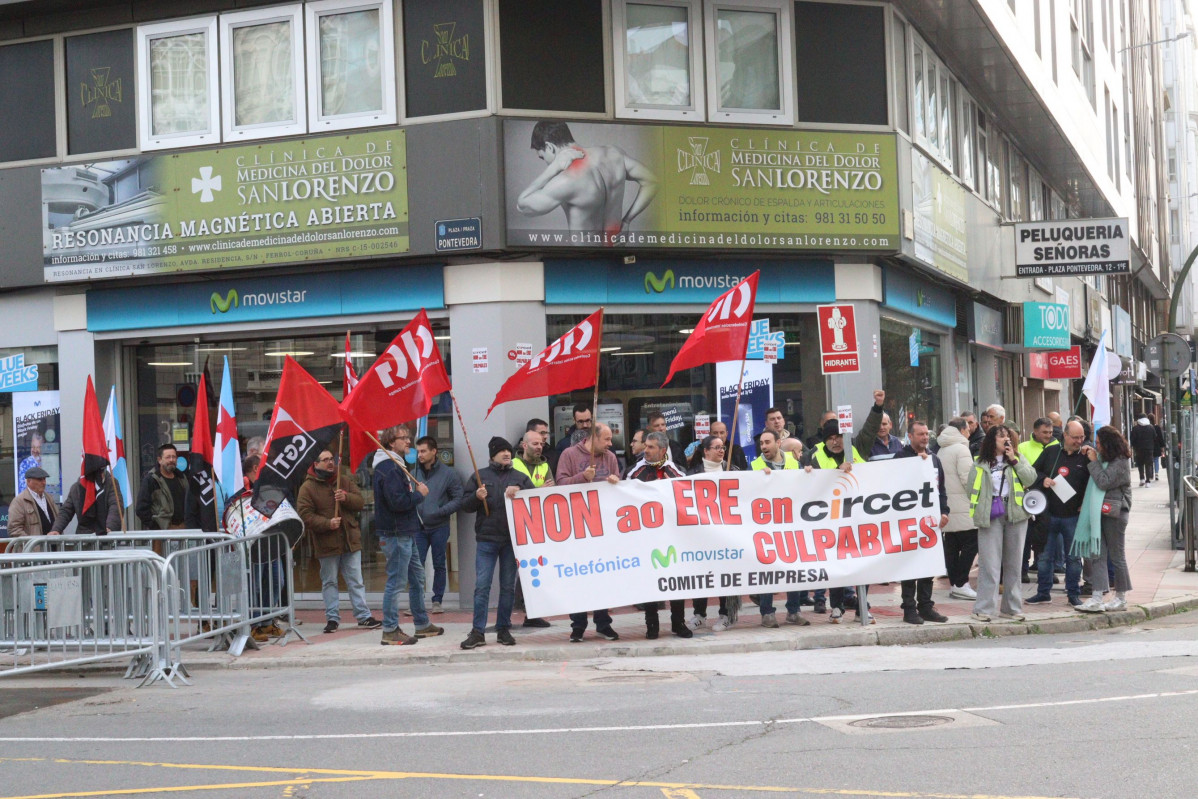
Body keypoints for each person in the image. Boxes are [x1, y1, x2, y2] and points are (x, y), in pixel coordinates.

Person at [806, 389, 886, 624]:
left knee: (865, 563)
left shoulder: (857, 447)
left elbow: (871, 429)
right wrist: (809, 474)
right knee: (837, 563)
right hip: (831, 520)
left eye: (840, 436)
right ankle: (837, 606)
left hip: (862, 516)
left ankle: (862, 606)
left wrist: (877, 407)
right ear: (825, 439)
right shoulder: (814, 456)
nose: (836, 441)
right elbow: (804, 484)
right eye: (831, 437)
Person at [516, 120, 658, 235]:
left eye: (542, 157)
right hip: (617, 254)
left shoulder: (566, 180)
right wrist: (626, 221)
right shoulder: (614, 154)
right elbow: (652, 181)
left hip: (585, 260)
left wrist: (553, 168)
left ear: (550, 147)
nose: (546, 162)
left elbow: (522, 206)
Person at [460, 437, 535, 649]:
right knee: (482, 587)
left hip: (511, 540)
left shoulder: (520, 477)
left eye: (508, 451)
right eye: (501, 451)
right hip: (486, 540)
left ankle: (503, 629)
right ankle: (477, 632)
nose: (506, 454)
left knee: (507, 587)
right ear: (492, 454)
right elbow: (465, 505)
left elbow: (535, 503)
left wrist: (520, 493)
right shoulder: (479, 476)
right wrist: (476, 496)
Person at [373, 425, 442, 646]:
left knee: (416, 577)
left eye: (408, 438)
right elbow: (398, 502)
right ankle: (390, 629)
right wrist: (419, 495)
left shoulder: (395, 465)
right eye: (404, 438)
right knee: (396, 581)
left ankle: (421, 623)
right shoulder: (390, 468)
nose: (409, 442)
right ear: (391, 443)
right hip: (396, 532)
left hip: (405, 531)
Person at [297, 449, 380, 634]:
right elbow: (305, 515)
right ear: (315, 464)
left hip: (350, 539)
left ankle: (363, 616)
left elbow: (360, 501)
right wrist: (327, 523)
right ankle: (332, 618)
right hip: (327, 543)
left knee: (356, 580)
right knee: (329, 582)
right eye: (325, 460)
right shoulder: (307, 487)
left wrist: (346, 497)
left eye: (331, 459)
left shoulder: (342, 480)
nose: (330, 463)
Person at [556, 422, 621, 641]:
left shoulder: (610, 458)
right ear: (593, 437)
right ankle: (578, 625)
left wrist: (615, 481)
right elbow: (560, 484)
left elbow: (618, 487)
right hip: (577, 525)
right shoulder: (569, 454)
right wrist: (583, 477)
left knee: (603, 576)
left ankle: (603, 623)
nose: (610, 444)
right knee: (578, 577)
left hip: (603, 526)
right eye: (607, 439)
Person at [625, 431, 692, 639]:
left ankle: (678, 623)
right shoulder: (634, 472)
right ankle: (651, 625)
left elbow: (688, 495)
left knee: (675, 581)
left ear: (663, 450)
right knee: (650, 581)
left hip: (672, 537)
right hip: (646, 537)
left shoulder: (676, 472)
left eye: (651, 447)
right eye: (645, 446)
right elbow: (622, 496)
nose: (646, 450)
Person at [968, 425, 1037, 622]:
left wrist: (1014, 459)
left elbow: (1030, 478)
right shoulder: (980, 463)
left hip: (1015, 513)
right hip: (990, 514)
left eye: (1008, 436)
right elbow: (970, 490)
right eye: (1001, 436)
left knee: (1014, 564)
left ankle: (1011, 608)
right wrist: (982, 507)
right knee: (989, 564)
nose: (1006, 439)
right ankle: (984, 609)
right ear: (991, 441)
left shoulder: (1017, 458)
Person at [1027, 420, 1091, 606]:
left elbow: (1094, 481)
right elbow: (1032, 473)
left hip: (1073, 515)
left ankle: (1073, 593)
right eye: (1075, 437)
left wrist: (1084, 504)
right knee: (1045, 557)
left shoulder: (1086, 456)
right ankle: (1043, 592)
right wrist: (1043, 479)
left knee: (1073, 558)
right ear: (1065, 435)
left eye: (1082, 437)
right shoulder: (1051, 452)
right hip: (1049, 514)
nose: (1079, 441)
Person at [749, 430, 809, 628]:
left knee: (793, 568)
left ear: (778, 443)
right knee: (768, 569)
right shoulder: (754, 467)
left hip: (791, 524)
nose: (763, 446)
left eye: (767, 442)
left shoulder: (794, 464)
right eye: (761, 444)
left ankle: (794, 611)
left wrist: (809, 474)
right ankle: (767, 613)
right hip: (766, 526)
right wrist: (758, 480)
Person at [894, 421, 950, 624]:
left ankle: (926, 605)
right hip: (908, 521)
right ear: (910, 436)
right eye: (920, 434)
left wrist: (944, 511)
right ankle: (909, 608)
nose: (925, 438)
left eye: (927, 434)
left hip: (930, 522)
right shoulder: (900, 458)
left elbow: (941, 489)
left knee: (928, 564)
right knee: (910, 566)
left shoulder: (935, 460)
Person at [685, 436, 743, 631]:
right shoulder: (692, 473)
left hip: (726, 533)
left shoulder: (732, 471)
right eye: (717, 447)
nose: (721, 451)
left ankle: (725, 614)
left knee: (725, 574)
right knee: (701, 574)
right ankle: (699, 614)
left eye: (723, 447)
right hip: (701, 533)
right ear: (706, 451)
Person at [1075, 427, 1134, 613]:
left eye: (1099, 443)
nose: (1097, 446)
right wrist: (1092, 454)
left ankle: (1121, 597)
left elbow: (1104, 481)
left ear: (1109, 444)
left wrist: (1093, 461)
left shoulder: (1121, 462)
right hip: (1098, 511)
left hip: (1115, 513)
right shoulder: (1104, 459)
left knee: (1117, 556)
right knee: (1097, 554)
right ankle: (1097, 597)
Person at [413, 436, 468, 615]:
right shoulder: (413, 472)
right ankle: (416, 600)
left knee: (439, 563)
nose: (420, 455)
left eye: (423, 451)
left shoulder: (448, 474)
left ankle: (437, 600)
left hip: (439, 526)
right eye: (418, 451)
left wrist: (441, 511)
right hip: (419, 527)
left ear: (434, 451)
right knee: (416, 564)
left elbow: (458, 498)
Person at [512, 429, 553, 628]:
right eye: (535, 443)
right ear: (524, 445)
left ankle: (533, 613)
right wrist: (538, 491)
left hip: (538, 525)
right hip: (517, 525)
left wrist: (536, 493)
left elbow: (552, 492)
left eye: (541, 444)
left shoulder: (545, 465)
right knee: (516, 572)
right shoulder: (513, 464)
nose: (539, 447)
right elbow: (512, 493)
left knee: (535, 570)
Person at [937, 418, 978, 600]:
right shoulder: (961, 448)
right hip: (963, 505)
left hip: (948, 506)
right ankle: (961, 583)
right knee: (972, 542)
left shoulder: (942, 448)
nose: (969, 433)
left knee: (952, 545)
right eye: (968, 430)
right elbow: (967, 478)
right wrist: (977, 498)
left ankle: (955, 583)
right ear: (962, 430)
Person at [1018, 418, 1060, 582]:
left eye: (1050, 432)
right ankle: (1023, 570)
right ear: (1035, 431)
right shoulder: (1023, 447)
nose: (1048, 435)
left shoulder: (1057, 448)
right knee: (1026, 538)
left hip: (1049, 500)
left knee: (1045, 538)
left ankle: (1046, 571)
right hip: (1027, 498)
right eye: (1044, 432)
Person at [52, 469, 121, 535]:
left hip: (106, 536)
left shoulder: (111, 484)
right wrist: (56, 529)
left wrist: (109, 527)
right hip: (85, 539)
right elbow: (66, 511)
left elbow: (116, 507)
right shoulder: (77, 488)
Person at [135, 443, 186, 530]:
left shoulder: (182, 478)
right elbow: (141, 509)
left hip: (183, 529)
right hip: (161, 534)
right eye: (168, 457)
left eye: (174, 457)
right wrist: (156, 527)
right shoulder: (151, 480)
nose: (171, 460)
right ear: (159, 460)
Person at [8, 466, 60, 537]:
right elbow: (14, 529)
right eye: (40, 480)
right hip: (34, 547)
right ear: (29, 481)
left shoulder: (49, 498)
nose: (44, 483)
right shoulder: (19, 501)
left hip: (53, 546)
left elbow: (57, 520)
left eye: (44, 479)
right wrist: (31, 544)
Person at [1129, 415, 1155, 487]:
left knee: (1140, 464)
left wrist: (1133, 447)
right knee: (1148, 464)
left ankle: (1142, 478)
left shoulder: (1135, 428)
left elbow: (1132, 439)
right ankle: (1148, 481)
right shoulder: (1151, 427)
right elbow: (1154, 438)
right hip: (1149, 449)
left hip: (1139, 449)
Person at [1152, 412, 1166, 481]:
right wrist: (1162, 447)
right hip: (1156, 446)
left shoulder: (1147, 427)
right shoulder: (1157, 427)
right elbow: (1160, 437)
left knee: (1150, 461)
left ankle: (1150, 474)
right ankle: (1156, 473)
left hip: (1149, 447)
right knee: (1156, 460)